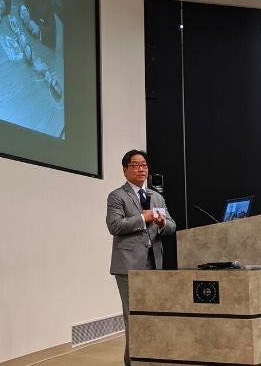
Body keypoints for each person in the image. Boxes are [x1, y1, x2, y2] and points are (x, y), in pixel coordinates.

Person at [106, 149, 176, 366]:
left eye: (144, 165)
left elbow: (172, 226)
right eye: (135, 165)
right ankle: (132, 362)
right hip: (128, 267)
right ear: (125, 170)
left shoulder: (157, 196)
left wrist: (162, 223)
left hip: (154, 263)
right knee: (133, 317)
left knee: (152, 315)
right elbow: (114, 225)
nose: (141, 169)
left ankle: (149, 359)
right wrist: (143, 217)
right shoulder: (117, 196)